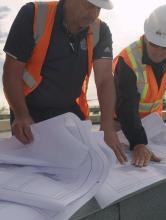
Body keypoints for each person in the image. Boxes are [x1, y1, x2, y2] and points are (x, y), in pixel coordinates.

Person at [3, 0, 127, 164]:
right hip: (30, 112)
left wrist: (107, 126)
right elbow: (12, 72)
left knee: (86, 163)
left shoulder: (100, 31)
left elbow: (104, 79)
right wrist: (21, 115)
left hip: (69, 112)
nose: (93, 13)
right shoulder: (34, 15)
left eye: (98, 8)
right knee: (36, 169)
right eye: (89, 5)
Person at [113, 4, 166, 167]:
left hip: (153, 124)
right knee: (123, 164)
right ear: (146, 36)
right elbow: (126, 104)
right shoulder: (129, 58)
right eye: (154, 44)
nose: (158, 52)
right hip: (122, 123)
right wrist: (138, 143)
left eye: (165, 47)